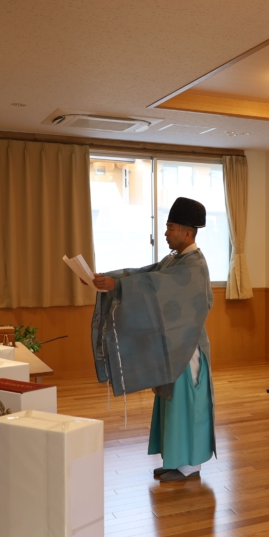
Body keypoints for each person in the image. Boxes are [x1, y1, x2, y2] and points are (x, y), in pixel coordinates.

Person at [91, 197, 215, 483]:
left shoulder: (194, 265)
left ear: (187, 232)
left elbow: (156, 285)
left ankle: (191, 465)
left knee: (186, 403)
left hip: (187, 346)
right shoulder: (175, 259)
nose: (166, 233)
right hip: (173, 343)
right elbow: (147, 275)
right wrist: (110, 279)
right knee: (170, 401)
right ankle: (175, 459)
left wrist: (118, 285)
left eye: (170, 228)